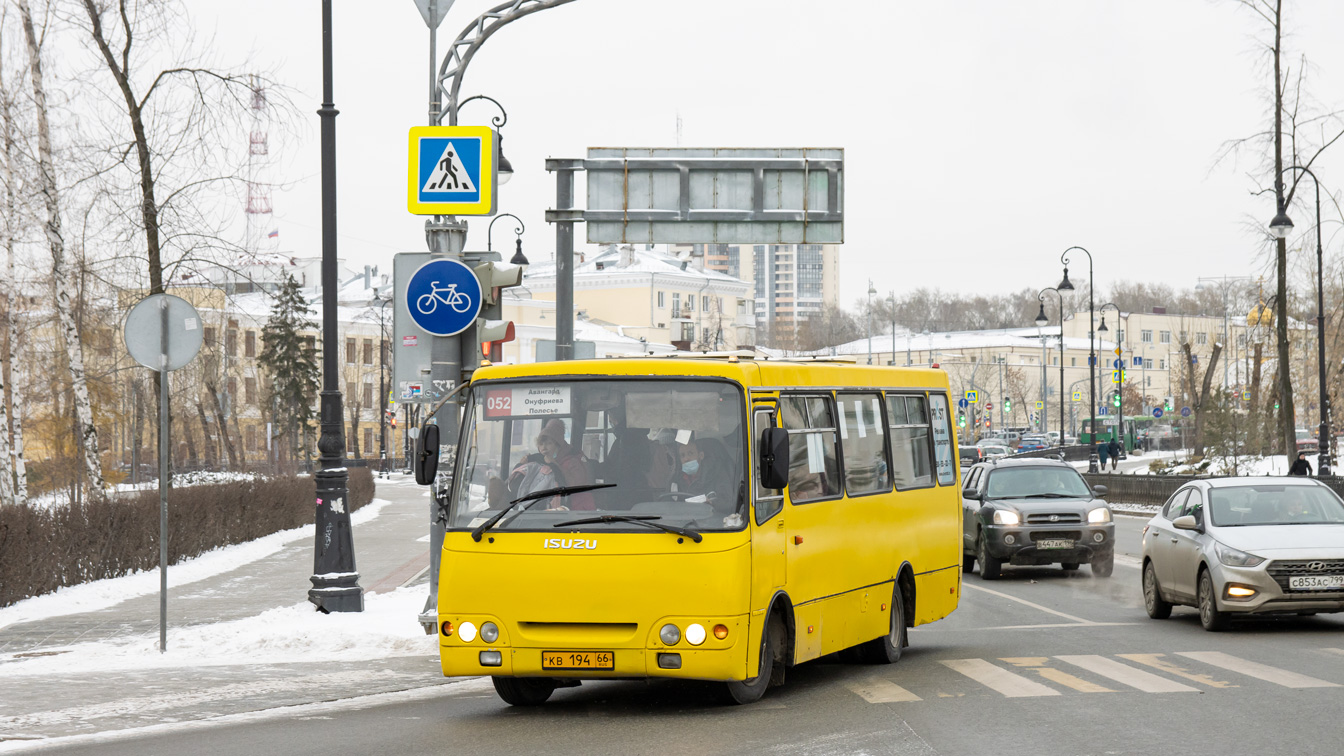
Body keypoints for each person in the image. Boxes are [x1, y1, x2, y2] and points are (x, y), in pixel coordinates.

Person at [534, 419, 596, 510]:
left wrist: (556, 466)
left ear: (557, 444)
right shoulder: (539, 463)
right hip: (558, 509)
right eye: (541, 444)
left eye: (549, 443)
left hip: (578, 510)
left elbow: (575, 486)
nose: (544, 447)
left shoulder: (573, 460)